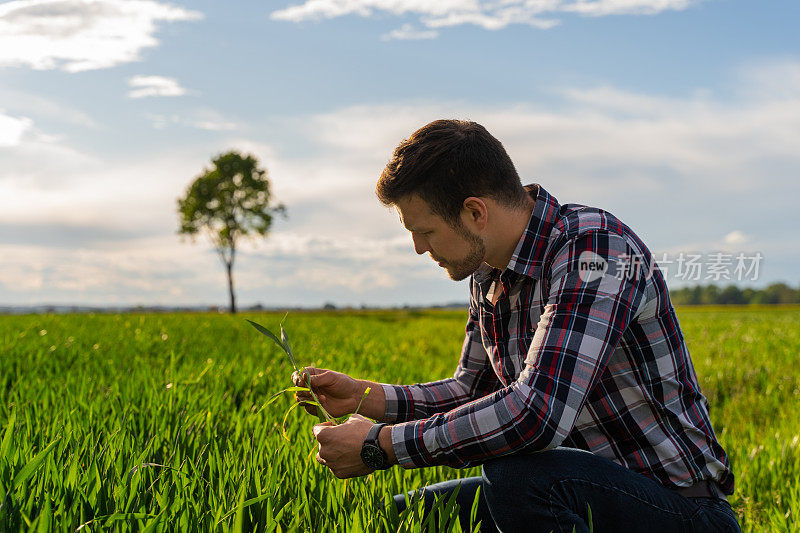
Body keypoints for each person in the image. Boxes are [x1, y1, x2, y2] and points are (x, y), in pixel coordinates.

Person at [292, 119, 741, 532]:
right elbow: (471, 391)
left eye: (425, 230)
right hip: (580, 491)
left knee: (518, 476)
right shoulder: (488, 272)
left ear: (474, 213)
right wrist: (365, 397)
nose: (418, 248)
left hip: (682, 508)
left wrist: (382, 446)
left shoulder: (596, 250)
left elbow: (536, 414)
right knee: (406, 516)